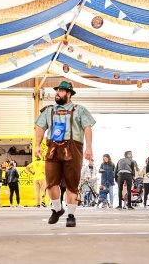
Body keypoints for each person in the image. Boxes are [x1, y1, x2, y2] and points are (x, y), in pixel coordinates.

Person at [35, 81, 95, 227]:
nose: (57, 93)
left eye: (61, 91)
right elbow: (40, 128)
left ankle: (71, 215)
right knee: (50, 182)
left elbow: (87, 128)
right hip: (53, 148)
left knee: (71, 184)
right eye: (57, 91)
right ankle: (57, 209)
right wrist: (37, 145)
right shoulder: (48, 111)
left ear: (69, 94)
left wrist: (89, 148)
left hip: (74, 147)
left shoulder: (80, 110)